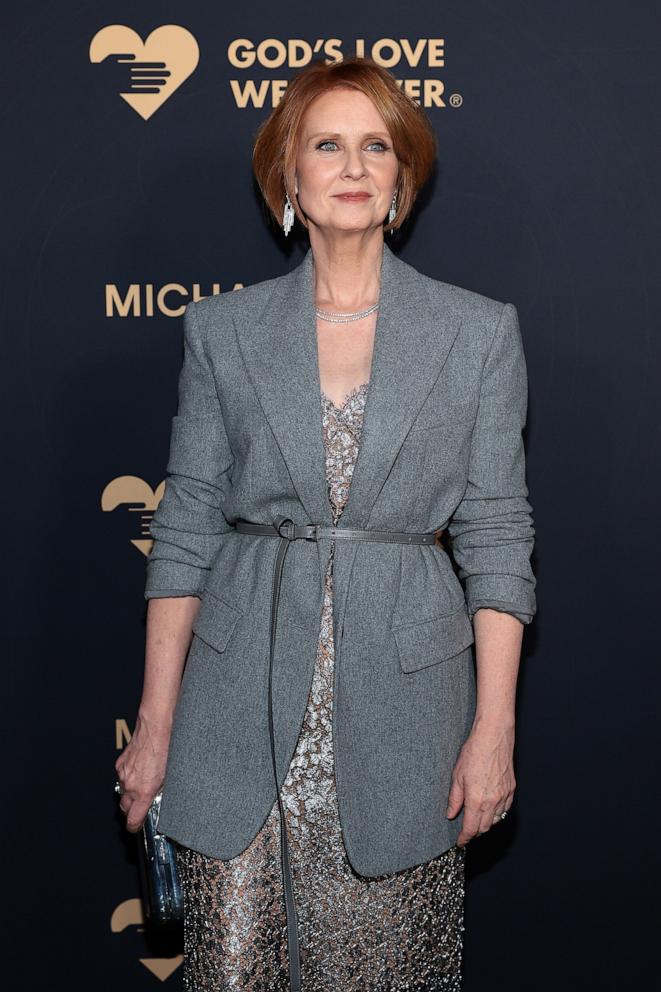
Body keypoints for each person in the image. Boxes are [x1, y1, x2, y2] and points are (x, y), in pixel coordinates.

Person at [116, 56, 537, 992]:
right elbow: (184, 527)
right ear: (288, 177)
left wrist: (494, 727)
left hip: (408, 713)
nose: (353, 166)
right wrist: (154, 726)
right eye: (327, 145)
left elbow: (499, 539)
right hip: (233, 712)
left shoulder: (475, 333)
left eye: (376, 145)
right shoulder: (223, 332)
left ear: (402, 178)